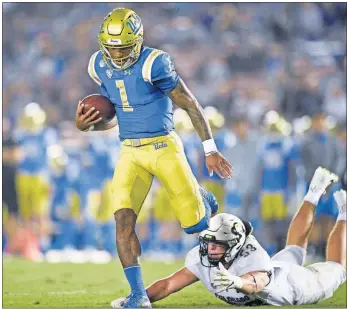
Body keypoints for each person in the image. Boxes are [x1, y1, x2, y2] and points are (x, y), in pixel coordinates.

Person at [75, 8, 232, 308]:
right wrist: (87, 127)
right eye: (112, 48)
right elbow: (115, 115)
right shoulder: (97, 64)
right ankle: (138, 295)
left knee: (196, 226)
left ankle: (202, 199)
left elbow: (190, 103)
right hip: (130, 151)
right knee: (122, 221)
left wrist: (210, 149)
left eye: (122, 48)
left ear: (136, 42)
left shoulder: (154, 63)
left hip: (163, 146)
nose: (117, 55)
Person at [111, 167, 346, 307]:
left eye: (218, 245)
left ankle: (344, 211)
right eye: (209, 242)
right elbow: (169, 284)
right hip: (278, 267)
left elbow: (257, 283)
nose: (210, 249)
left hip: (294, 286)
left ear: (235, 246)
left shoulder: (254, 257)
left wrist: (238, 283)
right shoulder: (202, 256)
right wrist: (137, 298)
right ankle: (315, 190)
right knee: (294, 250)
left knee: (338, 269)